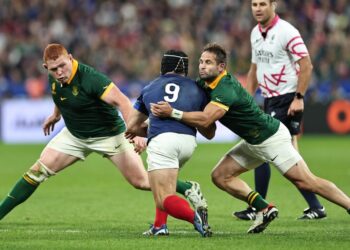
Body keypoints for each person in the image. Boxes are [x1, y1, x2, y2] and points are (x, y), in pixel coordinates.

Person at [151, 43, 350, 234]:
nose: (202, 66)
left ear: (221, 67)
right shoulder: (204, 83)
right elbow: (207, 129)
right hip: (252, 141)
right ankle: (263, 209)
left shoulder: (225, 87)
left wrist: (173, 113)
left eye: (208, 62)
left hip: (271, 138)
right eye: (201, 62)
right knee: (220, 176)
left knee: (307, 182)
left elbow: (207, 118)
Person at [0, 43, 208, 222]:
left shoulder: (92, 79)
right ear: (47, 67)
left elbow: (122, 101)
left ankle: (187, 186)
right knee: (36, 172)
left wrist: (135, 132)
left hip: (110, 135)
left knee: (142, 182)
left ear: (70, 58)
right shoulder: (54, 78)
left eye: (63, 65)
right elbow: (60, 95)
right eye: (54, 69)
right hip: (74, 136)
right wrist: (56, 115)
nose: (60, 71)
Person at [233, 0, 326, 221]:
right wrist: (246, 98)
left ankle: (259, 206)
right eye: (254, 4)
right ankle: (316, 206)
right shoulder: (256, 33)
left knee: (262, 148)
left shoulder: (287, 31)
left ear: (274, 5)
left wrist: (299, 98)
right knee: (288, 156)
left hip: (287, 99)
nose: (257, 8)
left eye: (263, 4)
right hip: (270, 100)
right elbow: (255, 68)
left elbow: (306, 65)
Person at [125, 50, 216, 237]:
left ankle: (194, 217)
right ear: (184, 67)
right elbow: (210, 131)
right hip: (188, 143)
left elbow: (132, 126)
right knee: (165, 185)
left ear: (162, 66)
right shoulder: (197, 88)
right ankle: (159, 226)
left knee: (163, 198)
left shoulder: (150, 88)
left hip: (163, 142)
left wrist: (147, 130)